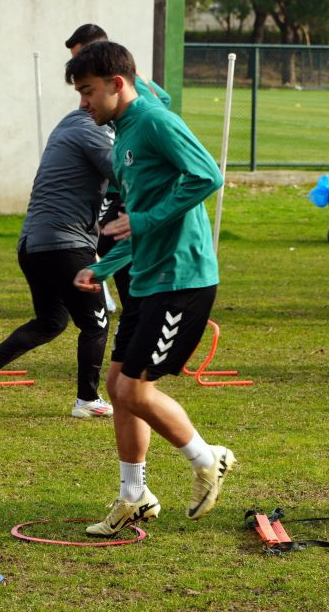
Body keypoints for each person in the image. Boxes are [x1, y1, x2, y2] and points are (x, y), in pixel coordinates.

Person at [65, 41, 236, 537]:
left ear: (118, 84)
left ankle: (209, 459)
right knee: (119, 390)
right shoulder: (121, 136)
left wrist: (141, 221)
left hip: (182, 280)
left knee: (135, 389)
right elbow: (134, 223)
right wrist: (104, 265)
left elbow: (208, 175)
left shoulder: (155, 121)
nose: (84, 103)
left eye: (89, 91)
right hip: (146, 278)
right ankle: (134, 495)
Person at [0, 108, 116, 419]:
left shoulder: (67, 128)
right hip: (67, 245)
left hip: (32, 244)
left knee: (51, 321)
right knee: (96, 323)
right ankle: (87, 400)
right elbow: (124, 172)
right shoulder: (95, 130)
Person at [66, 23, 171, 314]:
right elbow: (165, 97)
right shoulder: (116, 94)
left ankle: (134, 305)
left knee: (111, 235)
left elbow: (161, 104)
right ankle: (132, 306)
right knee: (110, 237)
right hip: (121, 179)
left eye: (81, 57)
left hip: (126, 183)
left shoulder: (143, 106)